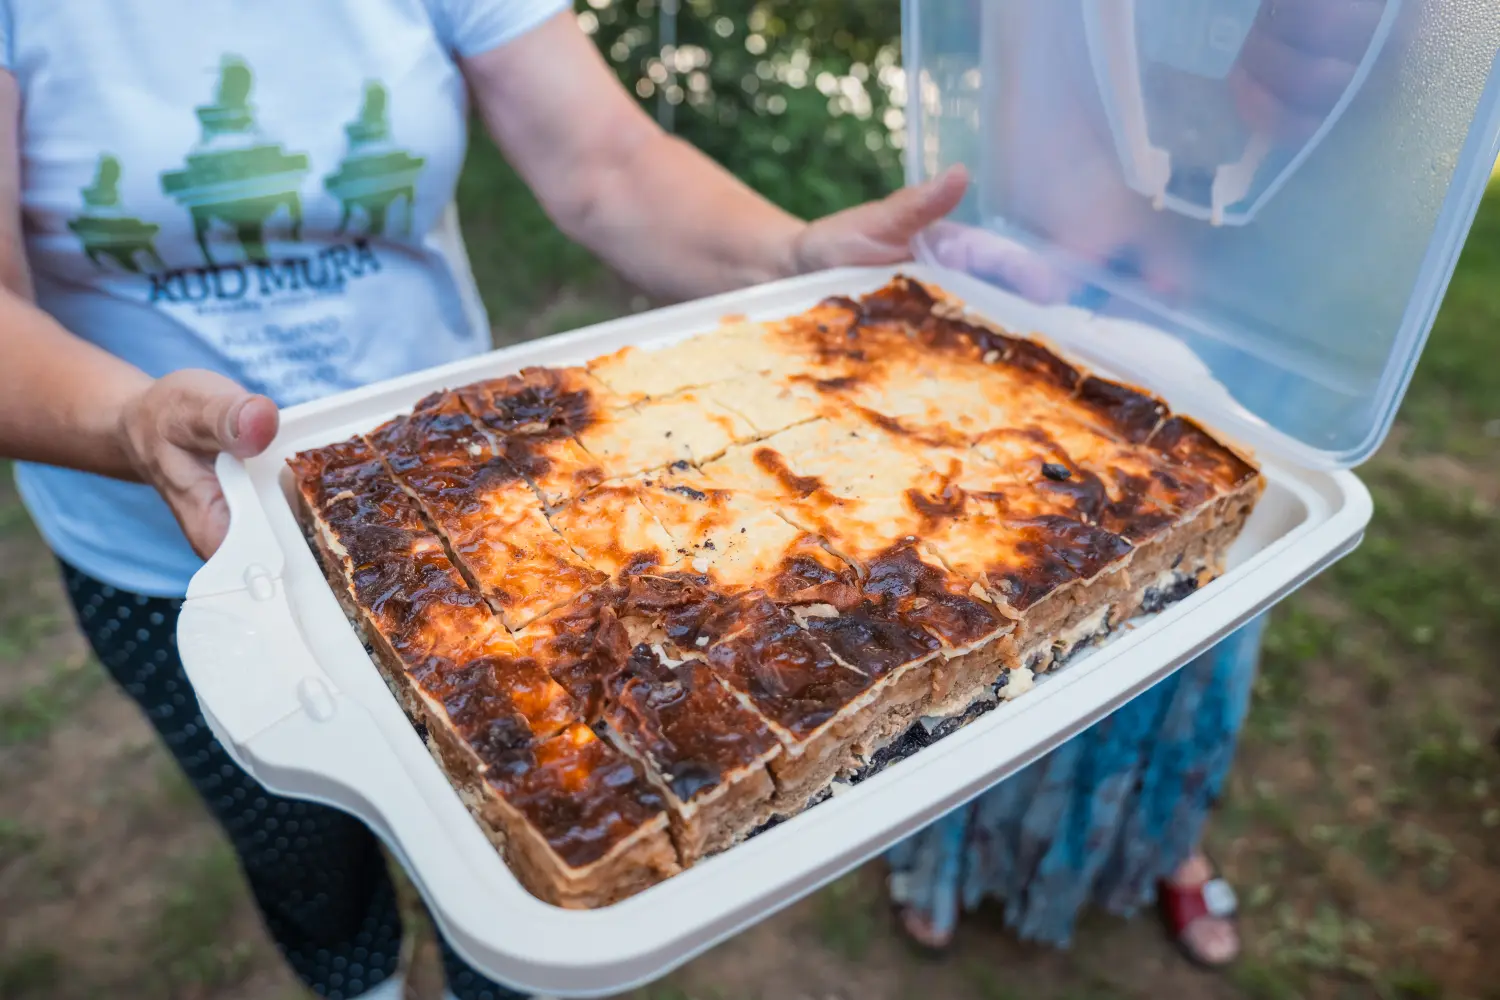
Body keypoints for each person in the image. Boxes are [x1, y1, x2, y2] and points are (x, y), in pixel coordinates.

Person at [0, 4, 968, 999]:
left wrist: (793, 252)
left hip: (488, 519)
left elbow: (607, 162)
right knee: (298, 850)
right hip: (161, 553)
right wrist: (126, 421)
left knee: (531, 862)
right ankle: (357, 980)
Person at [886, 0, 1396, 968]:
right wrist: (1072, 254)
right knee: (1007, 577)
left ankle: (1159, 839)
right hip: (1078, 235)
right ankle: (949, 845)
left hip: (1288, 276)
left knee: (1215, 580)